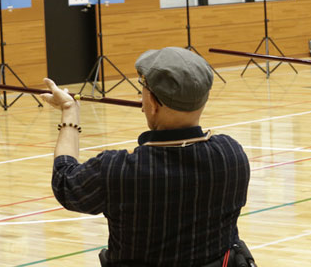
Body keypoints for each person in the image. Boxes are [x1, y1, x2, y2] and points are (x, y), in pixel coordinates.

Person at [46, 47, 252, 267]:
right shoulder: (231, 155)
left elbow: (65, 181)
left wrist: (69, 111)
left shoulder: (117, 170)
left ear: (153, 103)